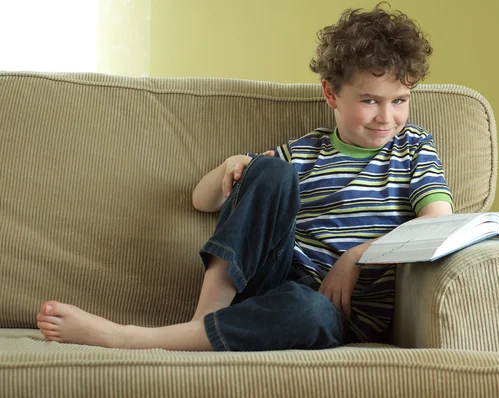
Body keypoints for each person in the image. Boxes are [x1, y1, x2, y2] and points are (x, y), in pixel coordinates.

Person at [36, 2, 453, 351]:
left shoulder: (413, 148)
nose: (387, 117)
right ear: (331, 94)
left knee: (306, 312)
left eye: (400, 100)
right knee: (267, 169)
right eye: (369, 100)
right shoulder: (304, 152)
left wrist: (355, 256)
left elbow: (436, 222)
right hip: (274, 279)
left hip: (332, 313)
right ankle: (205, 319)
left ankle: (131, 338)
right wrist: (234, 164)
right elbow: (203, 200)